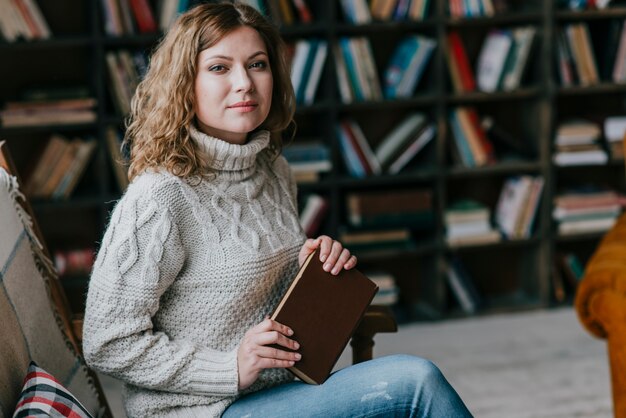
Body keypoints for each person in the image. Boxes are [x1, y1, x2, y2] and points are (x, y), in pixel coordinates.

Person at [83, 2, 473, 417]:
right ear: (185, 83)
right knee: (416, 383)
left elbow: (258, 299)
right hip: (202, 410)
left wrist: (312, 268)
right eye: (219, 68)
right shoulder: (158, 198)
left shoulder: (273, 170)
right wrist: (228, 367)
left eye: (257, 64)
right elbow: (106, 341)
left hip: (281, 393)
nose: (244, 84)